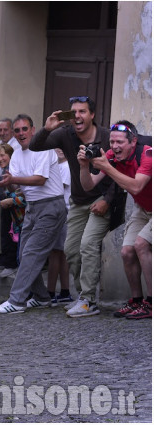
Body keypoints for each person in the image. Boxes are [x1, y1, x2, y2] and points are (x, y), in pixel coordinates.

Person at [30, 96, 113, 317]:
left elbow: (118, 171)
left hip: (101, 199)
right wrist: (47, 129)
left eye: (82, 112)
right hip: (78, 201)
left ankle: (88, 300)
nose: (77, 116)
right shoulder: (65, 134)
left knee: (87, 245)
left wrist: (107, 200)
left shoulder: (106, 137)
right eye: (74, 112)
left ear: (92, 115)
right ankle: (82, 296)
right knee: (72, 250)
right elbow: (34, 145)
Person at [0, 114, 67, 314]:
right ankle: (42, 297)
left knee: (31, 254)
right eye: (17, 131)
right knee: (24, 254)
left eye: (24, 129)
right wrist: (8, 180)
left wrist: (13, 179)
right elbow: (16, 183)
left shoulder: (45, 148)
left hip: (51, 206)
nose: (21, 133)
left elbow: (40, 179)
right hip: (32, 207)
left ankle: (16, 301)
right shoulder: (16, 154)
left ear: (33, 130)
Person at [78, 121, 152, 320]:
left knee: (141, 244)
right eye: (111, 142)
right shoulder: (111, 156)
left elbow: (136, 187)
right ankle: (136, 301)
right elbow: (88, 185)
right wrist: (84, 166)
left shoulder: (147, 154)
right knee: (127, 252)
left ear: (133, 142)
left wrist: (108, 168)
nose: (114, 147)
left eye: (120, 142)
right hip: (143, 208)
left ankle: (151, 303)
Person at [0, 143, 21, 277]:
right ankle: (3, 262)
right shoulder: (1, 171)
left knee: (13, 236)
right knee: (4, 234)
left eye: (3, 155)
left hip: (17, 209)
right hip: (5, 208)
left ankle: (11, 264)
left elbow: (19, 191)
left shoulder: (14, 170)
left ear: (10, 155)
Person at [47, 148, 73, 305]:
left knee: (55, 254)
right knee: (62, 254)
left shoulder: (65, 167)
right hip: (64, 212)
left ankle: (50, 292)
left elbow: (56, 190)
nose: (59, 150)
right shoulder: (59, 166)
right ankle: (65, 291)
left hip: (62, 213)